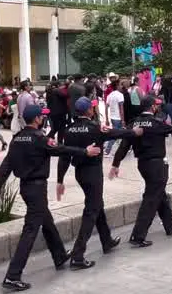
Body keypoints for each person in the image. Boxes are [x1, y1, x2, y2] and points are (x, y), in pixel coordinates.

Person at [0, 105, 100, 289]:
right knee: (30, 230)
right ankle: (12, 275)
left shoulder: (17, 139)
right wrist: (85, 152)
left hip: (26, 188)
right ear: (36, 119)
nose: (43, 119)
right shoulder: (40, 139)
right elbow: (62, 149)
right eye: (41, 116)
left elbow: (6, 165)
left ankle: (59, 256)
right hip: (36, 188)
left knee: (47, 222)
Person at [57, 98, 133, 261]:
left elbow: (64, 157)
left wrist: (60, 180)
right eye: (92, 108)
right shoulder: (95, 127)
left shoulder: (68, 130)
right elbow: (116, 133)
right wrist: (134, 132)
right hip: (93, 173)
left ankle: (107, 241)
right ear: (89, 111)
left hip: (80, 173)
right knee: (91, 210)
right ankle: (78, 255)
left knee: (97, 204)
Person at [108, 96, 172, 246]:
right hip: (157, 165)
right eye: (156, 105)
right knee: (151, 198)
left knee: (158, 193)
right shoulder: (156, 123)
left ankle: (170, 224)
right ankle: (138, 235)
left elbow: (124, 145)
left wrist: (115, 164)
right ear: (152, 107)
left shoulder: (134, 124)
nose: (158, 107)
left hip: (143, 165)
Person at [104, 80, 127, 155]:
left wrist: (107, 119)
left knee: (118, 134)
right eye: (120, 85)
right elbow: (121, 109)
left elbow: (106, 107)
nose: (121, 86)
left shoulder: (110, 95)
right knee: (116, 134)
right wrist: (123, 120)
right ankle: (108, 150)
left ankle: (119, 149)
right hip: (119, 118)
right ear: (117, 86)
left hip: (112, 117)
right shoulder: (120, 95)